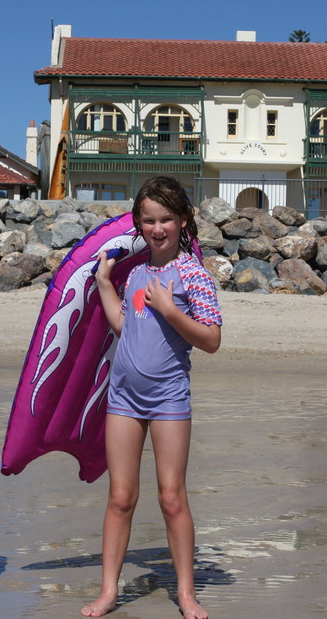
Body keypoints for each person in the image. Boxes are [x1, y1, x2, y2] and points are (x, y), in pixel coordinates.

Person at [83, 176, 222, 619]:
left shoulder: (194, 274)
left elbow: (212, 339)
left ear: (182, 221)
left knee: (171, 497)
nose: (157, 228)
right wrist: (106, 284)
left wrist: (171, 309)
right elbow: (127, 328)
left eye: (166, 219)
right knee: (120, 497)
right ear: (138, 224)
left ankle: (185, 593)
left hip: (168, 399)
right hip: (122, 396)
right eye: (148, 220)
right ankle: (108, 592)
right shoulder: (137, 273)